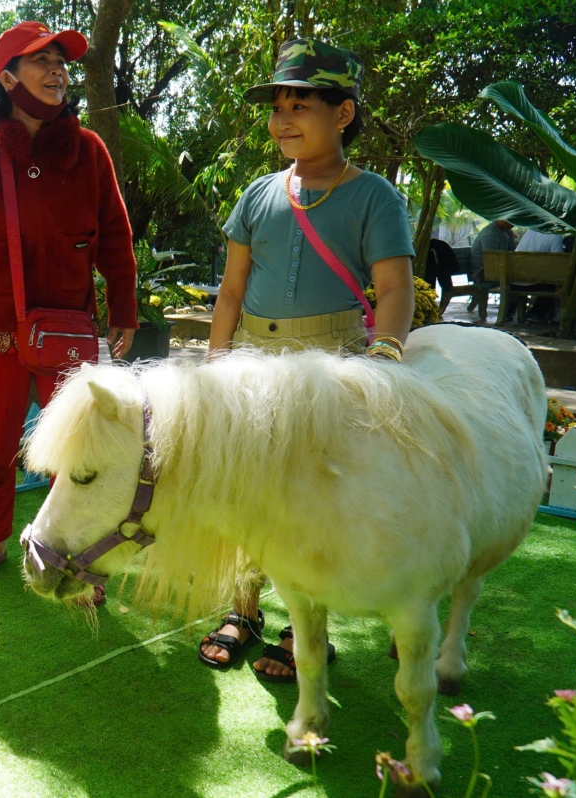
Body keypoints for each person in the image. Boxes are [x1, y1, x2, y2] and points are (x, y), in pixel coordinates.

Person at [197, 38, 415, 682]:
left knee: (315, 492)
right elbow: (231, 290)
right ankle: (243, 611)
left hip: (334, 362)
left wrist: (386, 353)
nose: (283, 119)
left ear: (343, 113)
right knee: (245, 486)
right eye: (277, 107)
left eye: (301, 104)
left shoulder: (374, 195)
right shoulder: (257, 195)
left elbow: (396, 288)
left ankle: (304, 625)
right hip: (254, 363)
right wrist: (215, 362)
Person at [0, 20, 138, 602]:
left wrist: (124, 302)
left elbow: (116, 237)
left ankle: (74, 554)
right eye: (40, 61)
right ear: (6, 76)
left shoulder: (90, 149)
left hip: (69, 332)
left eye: (61, 62)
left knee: (77, 453)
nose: (57, 71)